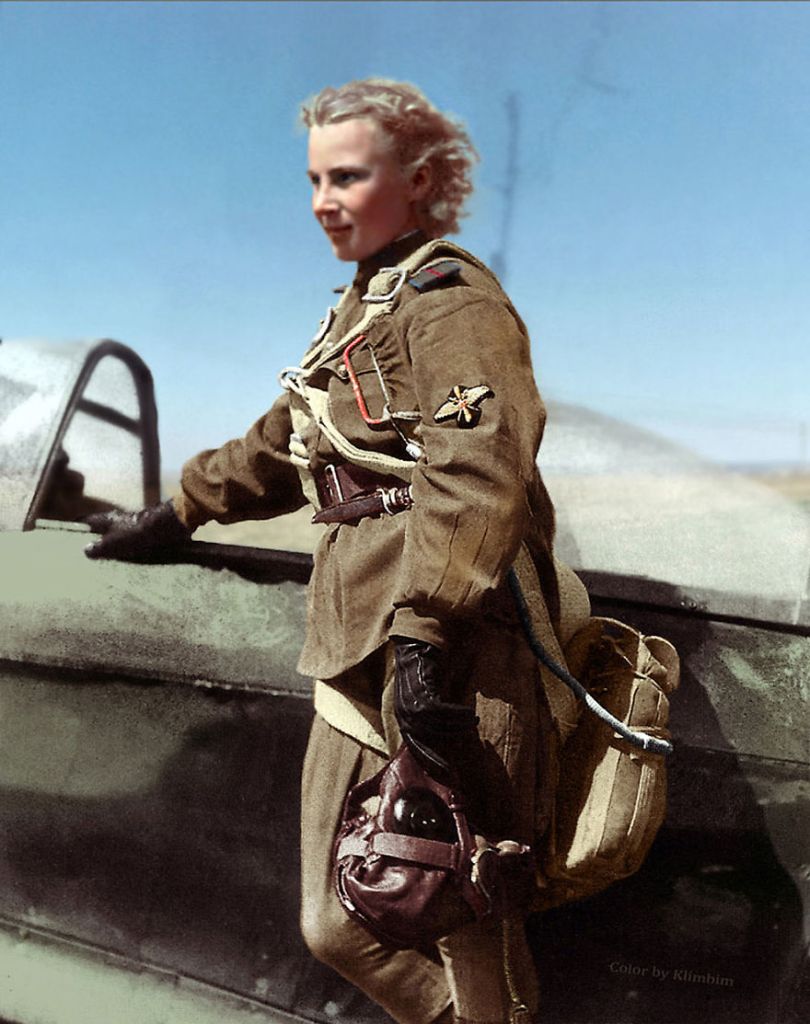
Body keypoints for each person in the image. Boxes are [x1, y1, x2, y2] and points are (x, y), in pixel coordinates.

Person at [86, 78, 575, 1024]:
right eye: (315, 180)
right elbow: (282, 447)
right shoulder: (364, 307)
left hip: (457, 644)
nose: (322, 201)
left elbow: (482, 466)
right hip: (356, 637)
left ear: (420, 180)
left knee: (463, 910)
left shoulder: (451, 299)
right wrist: (177, 512)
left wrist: (427, 630)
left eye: (346, 177)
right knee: (335, 920)